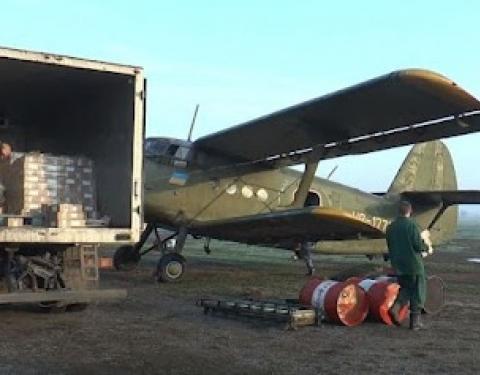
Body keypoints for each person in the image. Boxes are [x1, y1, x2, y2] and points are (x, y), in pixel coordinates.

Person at [386, 200, 432, 331]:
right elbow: (418, 245)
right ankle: (415, 323)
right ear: (410, 211)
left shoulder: (391, 227)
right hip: (413, 264)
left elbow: (390, 246)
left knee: (406, 289)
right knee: (418, 291)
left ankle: (395, 308)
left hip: (398, 265)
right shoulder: (411, 226)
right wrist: (427, 247)